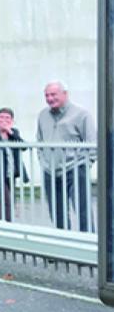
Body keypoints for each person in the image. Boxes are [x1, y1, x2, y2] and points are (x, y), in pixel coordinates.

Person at [37, 81, 96, 231]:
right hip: (50, 171)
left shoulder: (81, 114)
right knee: (57, 212)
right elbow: (39, 140)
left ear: (65, 94)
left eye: (53, 94)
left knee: (82, 210)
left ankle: (87, 242)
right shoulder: (43, 115)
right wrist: (43, 162)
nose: (50, 98)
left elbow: (93, 143)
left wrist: (85, 164)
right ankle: (64, 242)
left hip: (75, 169)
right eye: (47, 95)